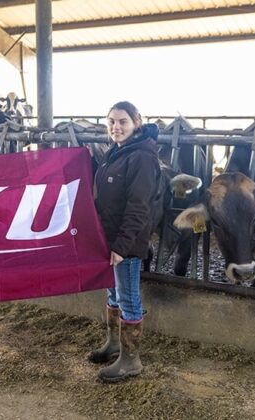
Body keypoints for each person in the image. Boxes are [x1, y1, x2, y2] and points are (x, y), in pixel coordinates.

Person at [87, 101, 160, 383]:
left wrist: (121, 244)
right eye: (112, 122)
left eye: (123, 122)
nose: (116, 127)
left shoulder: (141, 157)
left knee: (128, 297)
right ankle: (115, 344)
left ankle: (131, 360)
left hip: (125, 243)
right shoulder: (116, 152)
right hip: (109, 238)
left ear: (137, 123)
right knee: (112, 293)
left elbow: (139, 206)